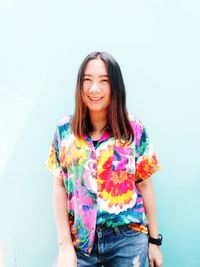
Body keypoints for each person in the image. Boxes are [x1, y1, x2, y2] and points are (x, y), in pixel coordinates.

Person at [46, 51, 163, 267]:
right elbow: (59, 186)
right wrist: (64, 245)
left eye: (104, 81)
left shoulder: (133, 129)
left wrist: (154, 241)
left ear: (115, 86)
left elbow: (145, 185)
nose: (94, 89)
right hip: (81, 245)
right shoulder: (64, 131)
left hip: (127, 241)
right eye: (87, 80)